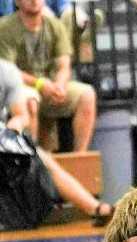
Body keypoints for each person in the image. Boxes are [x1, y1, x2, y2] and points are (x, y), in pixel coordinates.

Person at [1, 58, 113, 225]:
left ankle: (96, 208)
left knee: (44, 161)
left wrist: (11, 132)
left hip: (3, 140)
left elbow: (21, 115)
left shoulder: (7, 71)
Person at [0, 0, 97, 152]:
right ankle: (31, 161)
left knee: (87, 94)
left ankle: (79, 158)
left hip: (51, 87)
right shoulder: (5, 27)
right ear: (16, 2)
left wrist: (60, 85)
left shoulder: (55, 26)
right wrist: (39, 84)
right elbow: (8, 71)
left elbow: (64, 64)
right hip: (20, 88)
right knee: (29, 100)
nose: (34, 1)